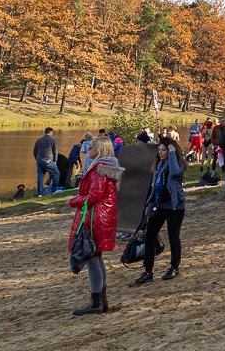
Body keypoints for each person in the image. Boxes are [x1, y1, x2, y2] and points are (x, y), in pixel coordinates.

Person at [67, 135, 122, 315]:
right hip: (103, 216)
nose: (87, 149)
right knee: (96, 257)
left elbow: (94, 196)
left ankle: (96, 301)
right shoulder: (108, 167)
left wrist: (74, 200)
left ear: (98, 149)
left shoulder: (99, 168)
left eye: (91, 146)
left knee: (92, 258)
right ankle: (102, 300)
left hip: (95, 218)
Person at [134, 138, 187, 283]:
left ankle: (174, 268)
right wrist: (148, 205)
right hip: (159, 206)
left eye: (163, 150)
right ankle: (148, 272)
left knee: (173, 237)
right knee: (150, 237)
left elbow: (175, 173)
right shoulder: (159, 166)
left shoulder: (180, 164)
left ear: (171, 150)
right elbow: (154, 188)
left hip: (175, 206)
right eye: (159, 150)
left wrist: (171, 154)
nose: (160, 153)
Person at [34, 127, 59, 196]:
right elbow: (55, 152)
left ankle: (40, 193)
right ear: (50, 132)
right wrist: (55, 160)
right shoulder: (53, 140)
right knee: (56, 173)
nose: (52, 134)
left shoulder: (38, 140)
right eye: (52, 132)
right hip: (48, 160)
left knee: (40, 176)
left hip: (39, 161)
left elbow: (34, 152)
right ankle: (54, 190)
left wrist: (37, 159)